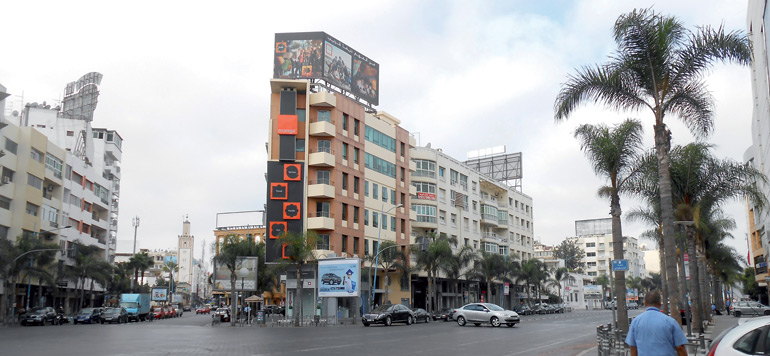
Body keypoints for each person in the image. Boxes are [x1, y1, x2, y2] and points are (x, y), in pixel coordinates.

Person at [625, 291, 688, 356]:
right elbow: (680, 347)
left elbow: (633, 347)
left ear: (645, 303)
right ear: (660, 303)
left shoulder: (635, 322)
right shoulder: (670, 322)